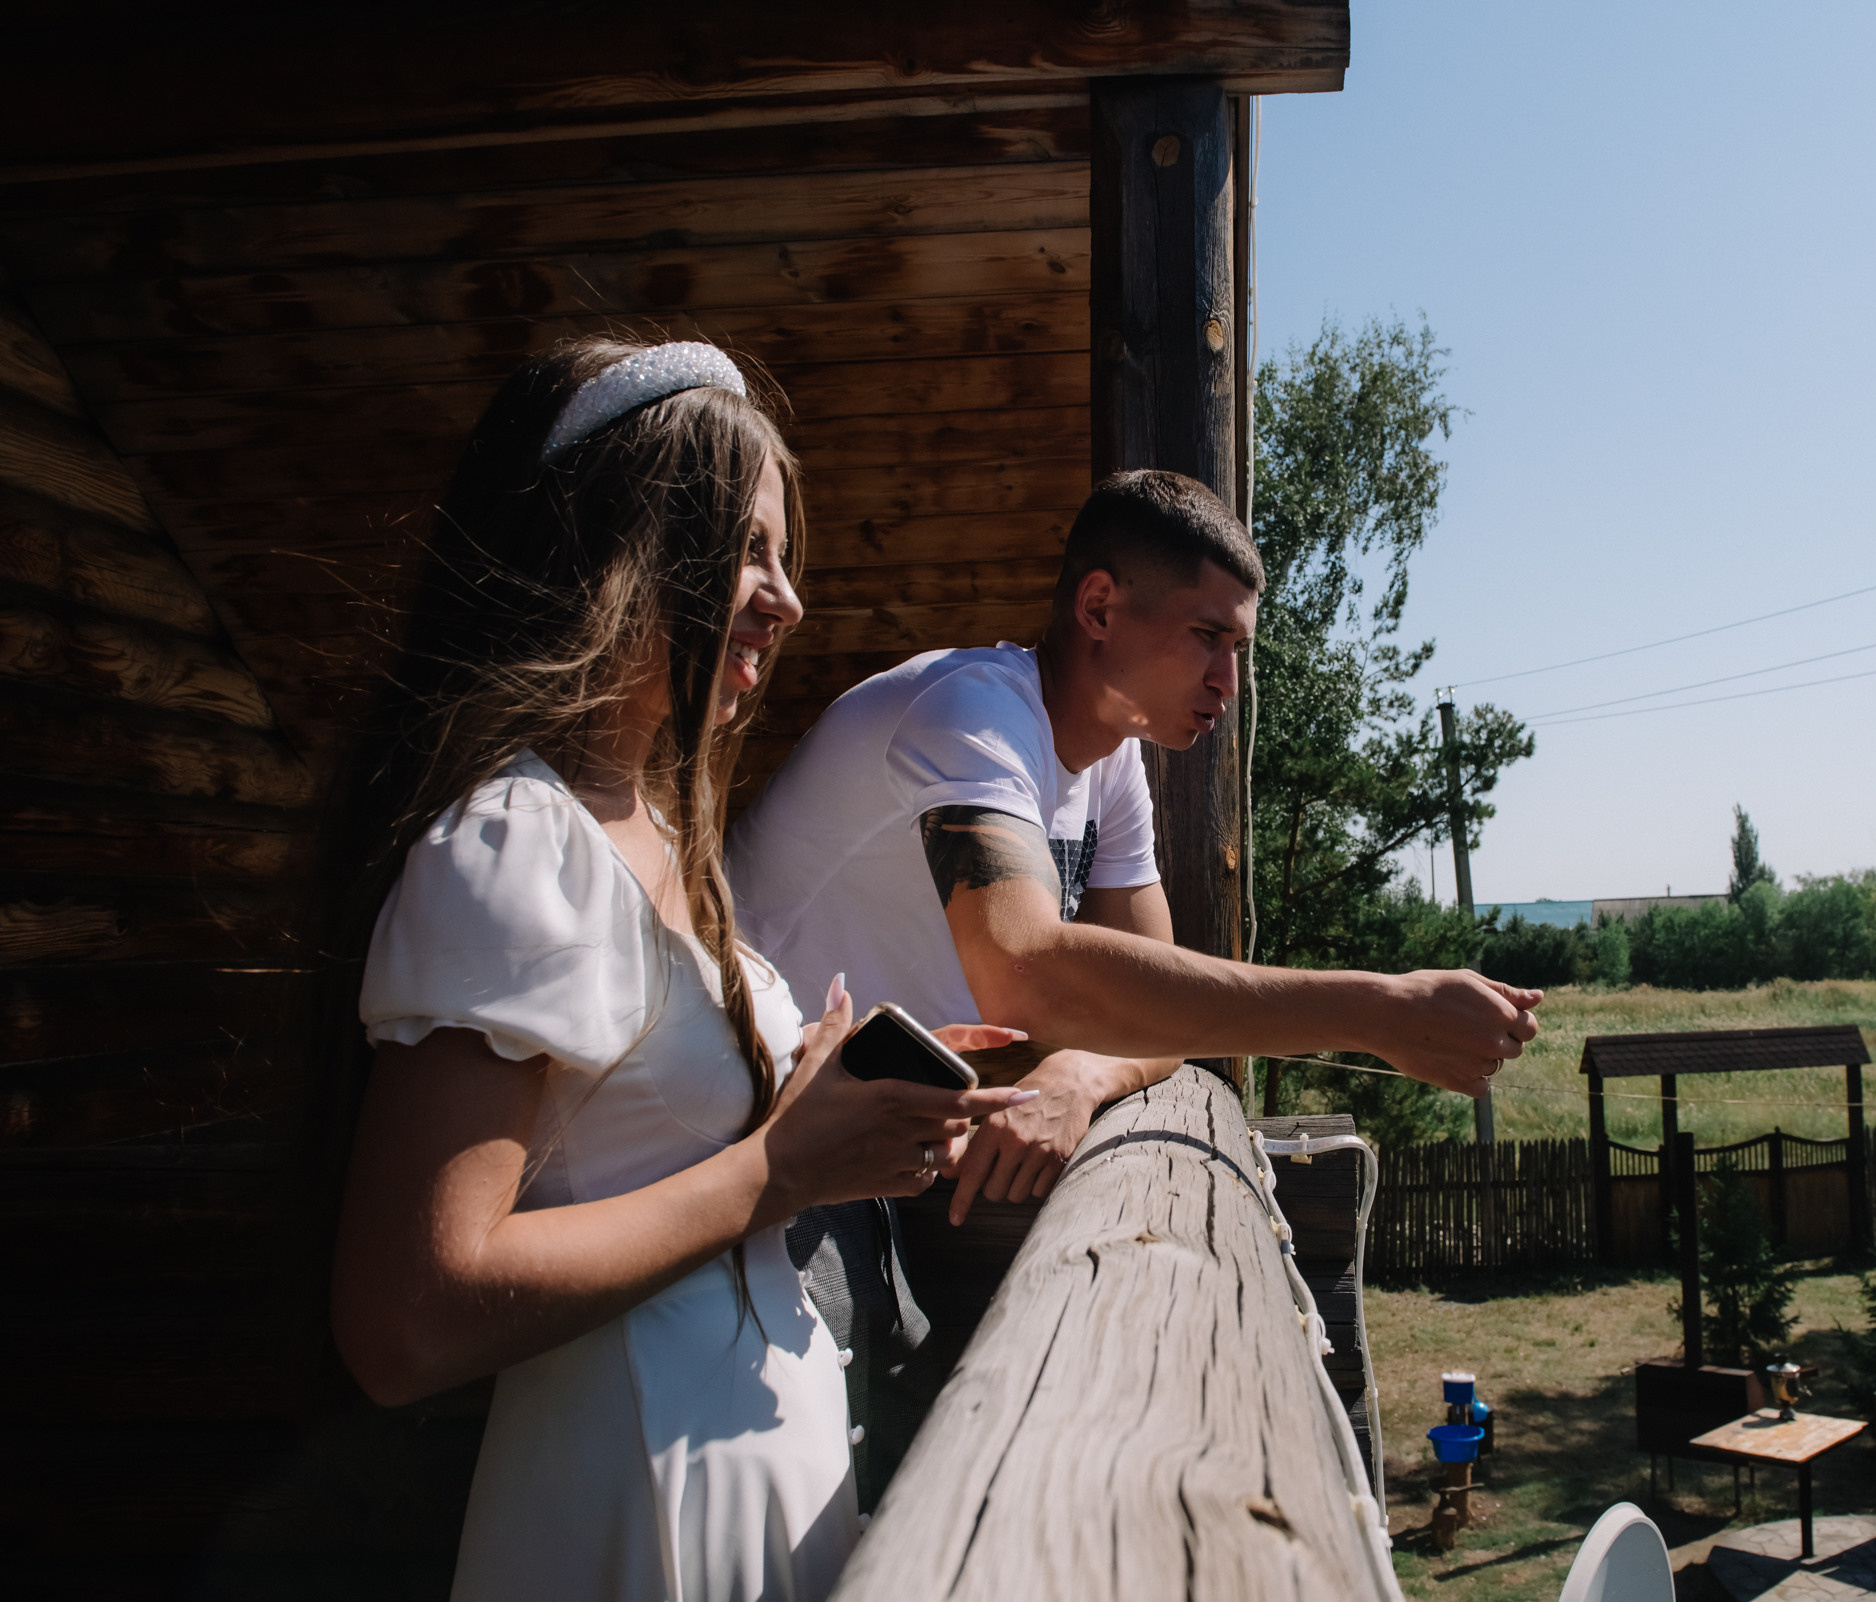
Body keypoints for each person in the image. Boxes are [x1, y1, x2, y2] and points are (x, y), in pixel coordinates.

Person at [327, 338, 1032, 1602]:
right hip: (632, 1493)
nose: (787, 597)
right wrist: (785, 1164)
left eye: (784, 558)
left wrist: (831, 1095)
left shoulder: (659, 838)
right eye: (749, 551)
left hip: (751, 1473)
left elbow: (656, 1144)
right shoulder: (513, 846)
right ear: (619, 553)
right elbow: (409, 1316)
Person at [725, 469, 1541, 1468]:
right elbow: (1025, 968)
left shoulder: (1110, 759)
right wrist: (1379, 1009)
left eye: (1239, 648)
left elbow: (1154, 994)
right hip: (753, 1153)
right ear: (1100, 607)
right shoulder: (971, 714)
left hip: (876, 1164)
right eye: (1208, 637)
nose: (1229, 684)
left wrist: (1090, 1072)